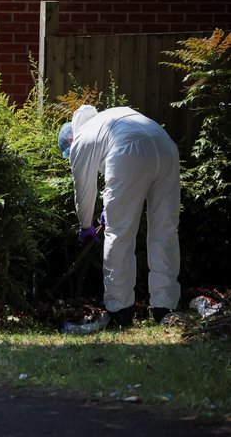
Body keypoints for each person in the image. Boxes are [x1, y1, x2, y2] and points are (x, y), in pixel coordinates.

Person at [58, 105, 181, 327]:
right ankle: (165, 307)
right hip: (166, 147)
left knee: (119, 234)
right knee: (165, 229)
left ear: (70, 141)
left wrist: (85, 225)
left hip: (129, 151)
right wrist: (109, 207)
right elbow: (112, 171)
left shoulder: (80, 140)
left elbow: (83, 189)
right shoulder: (106, 121)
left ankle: (120, 310)